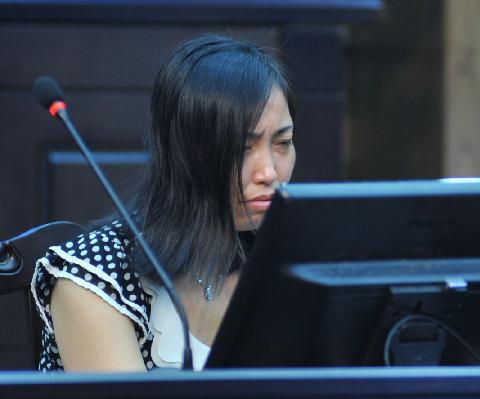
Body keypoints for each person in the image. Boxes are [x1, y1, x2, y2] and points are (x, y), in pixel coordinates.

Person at [32, 34, 297, 372]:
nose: (270, 172)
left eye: (283, 142)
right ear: (185, 153)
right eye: (243, 147)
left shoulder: (291, 260)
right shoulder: (96, 276)